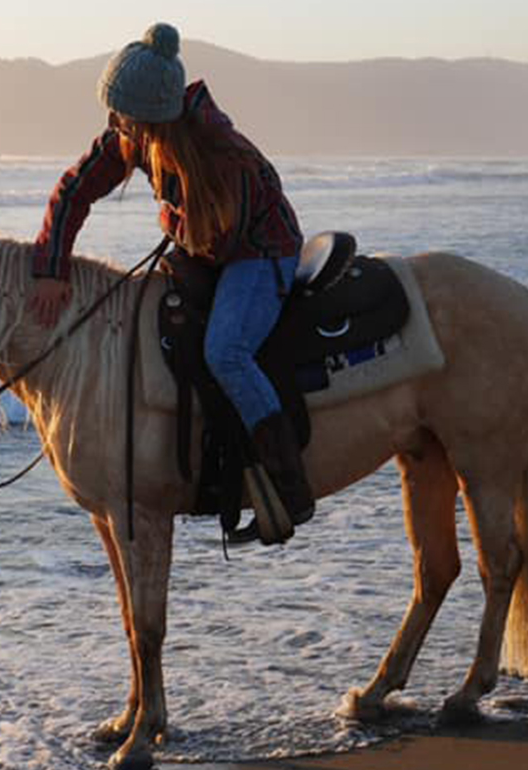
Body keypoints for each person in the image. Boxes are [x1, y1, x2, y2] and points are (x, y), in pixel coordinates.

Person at [27, 22, 314, 537]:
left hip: (259, 250)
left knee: (225, 352)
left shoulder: (222, 151)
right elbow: (74, 191)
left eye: (122, 112)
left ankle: (290, 490)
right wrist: (51, 269)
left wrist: (179, 234)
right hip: (205, 249)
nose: (113, 120)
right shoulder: (132, 137)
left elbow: (226, 238)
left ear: (151, 117)